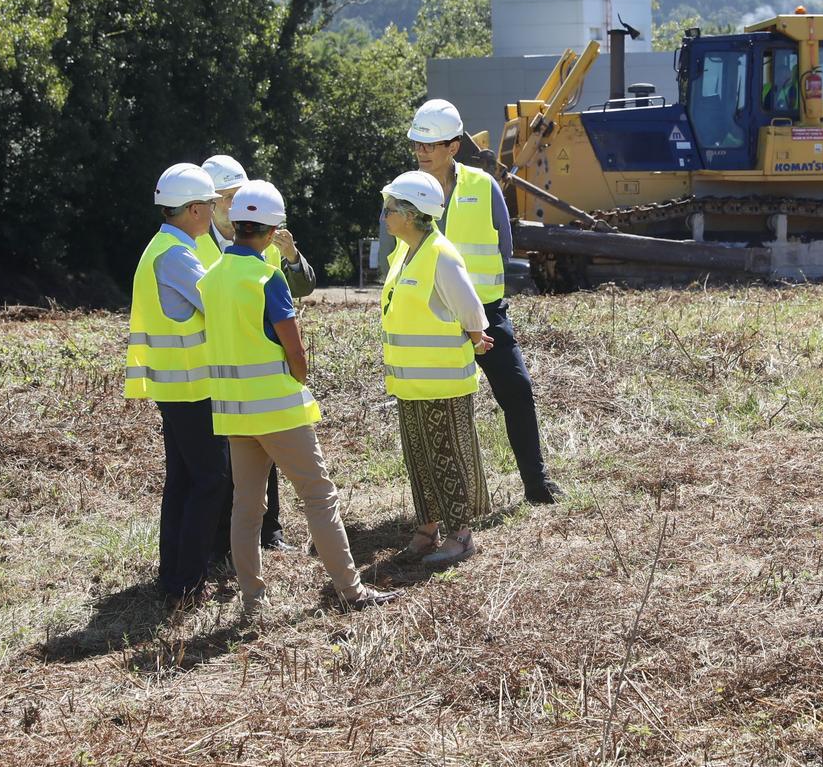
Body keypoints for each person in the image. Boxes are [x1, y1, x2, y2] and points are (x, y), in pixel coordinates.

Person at [202, 179, 396, 612]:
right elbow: (294, 347)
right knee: (318, 496)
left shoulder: (211, 278)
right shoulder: (267, 276)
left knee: (246, 508)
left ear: (234, 226)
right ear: (272, 232)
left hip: (233, 413)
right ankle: (352, 590)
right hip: (279, 409)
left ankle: (252, 600)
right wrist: (300, 379)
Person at [403, 98, 567, 506]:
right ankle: (445, 500)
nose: (422, 152)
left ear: (453, 146)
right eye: (417, 145)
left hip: (486, 314)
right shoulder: (403, 193)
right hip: (429, 319)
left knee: (518, 390)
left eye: (431, 144)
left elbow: (505, 249)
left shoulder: (483, 186)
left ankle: (536, 483)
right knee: (438, 411)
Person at [200, 153, 321, 555]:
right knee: (227, 469)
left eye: (237, 195)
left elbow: (299, 288)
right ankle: (225, 545)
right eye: (227, 196)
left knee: (260, 466)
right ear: (210, 201)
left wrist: (292, 258)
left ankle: (271, 534)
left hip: (259, 374)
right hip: (217, 369)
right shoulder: (198, 245)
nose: (234, 203)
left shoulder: (263, 238)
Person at [380, 171, 494, 566]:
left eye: (391, 207)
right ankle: (428, 529)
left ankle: (460, 536)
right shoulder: (405, 251)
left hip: (443, 382)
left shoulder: (441, 254)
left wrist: (477, 336)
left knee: (448, 456)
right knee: (420, 458)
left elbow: (471, 310)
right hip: (411, 383)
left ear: (411, 215)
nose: (385, 214)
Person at [124, 162, 226, 604]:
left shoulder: (164, 247)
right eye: (209, 204)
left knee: (185, 480)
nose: (214, 211)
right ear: (192, 210)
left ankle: (176, 577)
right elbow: (217, 305)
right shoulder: (177, 254)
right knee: (211, 479)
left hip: (178, 386)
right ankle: (186, 580)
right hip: (190, 388)